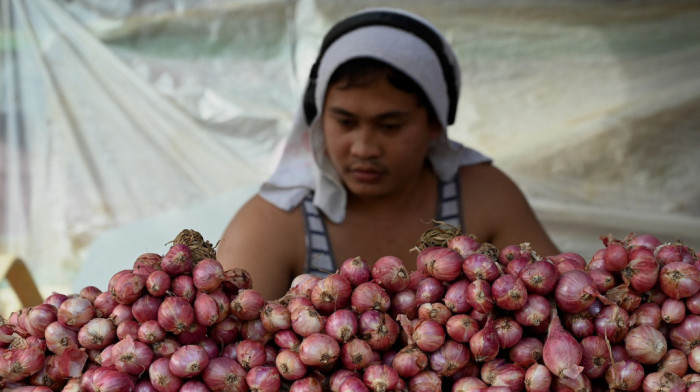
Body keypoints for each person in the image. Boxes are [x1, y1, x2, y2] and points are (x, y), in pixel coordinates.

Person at [217, 8, 559, 300]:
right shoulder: (275, 222)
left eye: (390, 125)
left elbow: (559, 299)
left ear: (435, 124)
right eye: (345, 121)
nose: (364, 148)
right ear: (320, 120)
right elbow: (226, 341)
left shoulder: (485, 197)